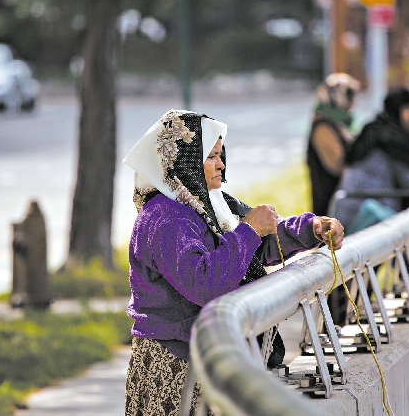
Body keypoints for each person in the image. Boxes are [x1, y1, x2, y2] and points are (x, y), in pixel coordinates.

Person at [123, 110, 344, 416]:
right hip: (174, 366)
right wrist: (249, 230)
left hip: (203, 355)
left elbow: (254, 246)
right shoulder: (165, 217)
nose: (221, 164)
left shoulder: (208, 203)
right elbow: (203, 282)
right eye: (211, 156)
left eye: (220, 154)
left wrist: (312, 229)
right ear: (183, 159)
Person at [332, 87, 409, 232]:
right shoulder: (396, 139)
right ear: (397, 110)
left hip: (344, 212)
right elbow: (408, 184)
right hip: (373, 215)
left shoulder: (371, 128)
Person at [306, 73, 361, 216]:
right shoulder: (323, 127)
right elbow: (338, 167)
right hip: (331, 209)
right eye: (351, 97)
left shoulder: (341, 123)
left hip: (344, 204)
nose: (353, 104)